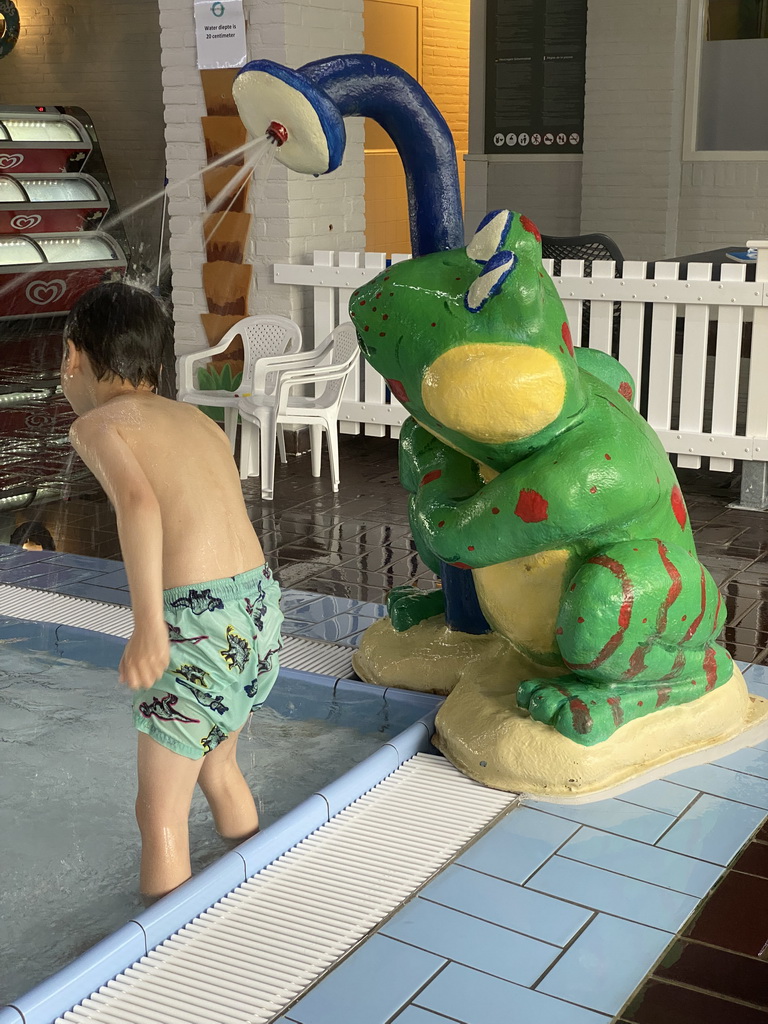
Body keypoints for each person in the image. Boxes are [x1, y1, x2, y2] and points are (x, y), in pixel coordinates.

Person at [61, 281, 283, 898]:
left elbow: (140, 503)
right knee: (219, 764)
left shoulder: (100, 424)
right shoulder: (196, 419)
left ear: (73, 357)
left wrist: (149, 624)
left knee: (158, 816)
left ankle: (164, 959)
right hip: (259, 607)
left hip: (196, 618)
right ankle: (257, 881)